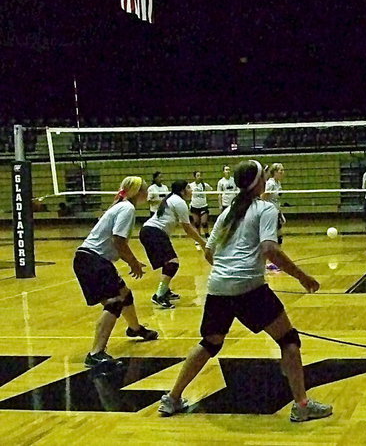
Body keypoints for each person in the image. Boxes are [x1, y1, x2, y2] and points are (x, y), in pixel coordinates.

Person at [158, 160, 332, 422]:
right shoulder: (266, 209)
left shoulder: (228, 211)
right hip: (250, 288)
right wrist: (302, 277)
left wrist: (227, 270)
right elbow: (270, 249)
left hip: (218, 287)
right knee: (289, 340)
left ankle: (172, 399)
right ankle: (302, 405)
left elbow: (208, 251)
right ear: (260, 182)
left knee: (209, 343)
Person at [73, 176, 158, 368]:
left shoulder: (121, 206)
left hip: (93, 259)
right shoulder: (127, 208)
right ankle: (95, 353)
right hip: (92, 260)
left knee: (124, 294)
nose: (148, 193)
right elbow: (118, 241)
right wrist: (133, 263)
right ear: (138, 192)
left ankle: (135, 329)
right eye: (146, 189)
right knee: (114, 303)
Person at [140, 180, 207, 309]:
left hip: (151, 231)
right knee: (172, 263)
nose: (191, 190)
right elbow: (187, 228)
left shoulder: (172, 198)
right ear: (182, 190)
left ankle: (165, 290)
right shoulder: (179, 202)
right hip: (154, 232)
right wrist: (202, 242)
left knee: (168, 263)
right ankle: (159, 295)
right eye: (188, 187)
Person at [262, 163, 287, 271]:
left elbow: (276, 200)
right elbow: (263, 197)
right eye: (280, 171)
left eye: (283, 170)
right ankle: (274, 261)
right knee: (275, 237)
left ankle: (276, 261)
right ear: (274, 172)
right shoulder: (270, 184)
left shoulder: (278, 183)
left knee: (279, 236)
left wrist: (280, 213)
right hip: (269, 213)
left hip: (276, 212)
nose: (282, 172)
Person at [188, 171, 213, 246]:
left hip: (203, 206)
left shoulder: (205, 185)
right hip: (194, 206)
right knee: (196, 223)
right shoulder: (191, 185)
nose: (199, 177)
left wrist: (205, 199)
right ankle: (198, 238)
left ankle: (207, 236)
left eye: (200, 175)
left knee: (204, 222)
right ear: (194, 177)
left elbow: (211, 191)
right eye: (197, 175)